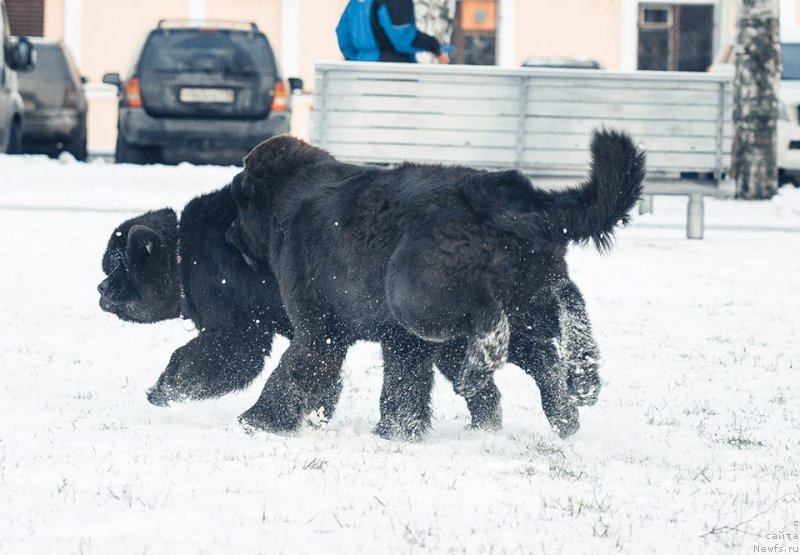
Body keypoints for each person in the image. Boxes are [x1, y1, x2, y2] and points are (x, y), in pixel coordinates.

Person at [336, 0, 445, 63]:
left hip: (361, 68)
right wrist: (433, 45)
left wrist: (358, 59)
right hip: (391, 69)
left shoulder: (355, 2)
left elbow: (343, 34)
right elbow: (402, 39)